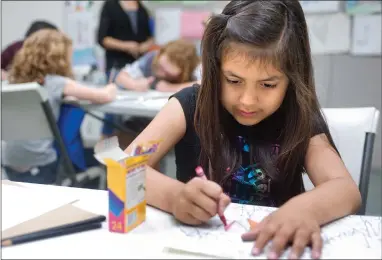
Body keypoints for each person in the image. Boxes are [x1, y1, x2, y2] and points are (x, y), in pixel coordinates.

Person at [123, 1, 361, 259]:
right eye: (234, 81)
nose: (248, 100)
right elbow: (123, 167)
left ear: (292, 79)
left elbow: (346, 190)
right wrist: (175, 198)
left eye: (268, 85)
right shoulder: (191, 105)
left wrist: (306, 209)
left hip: (273, 249)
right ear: (216, 70)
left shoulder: (299, 116)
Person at [2, 29, 117, 185]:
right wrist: (112, 86)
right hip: (41, 164)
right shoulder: (56, 83)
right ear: (59, 58)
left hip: (9, 160)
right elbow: (104, 96)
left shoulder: (9, 83)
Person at [115, 39, 201, 92]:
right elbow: (121, 77)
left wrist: (170, 88)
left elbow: (205, 85)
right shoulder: (152, 57)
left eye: (167, 73)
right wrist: (135, 84)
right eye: (160, 66)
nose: (160, 73)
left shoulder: (196, 66)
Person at [97, 0, 153, 78]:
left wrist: (144, 46)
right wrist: (126, 46)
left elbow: (150, 37)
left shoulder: (142, 8)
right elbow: (102, 39)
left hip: (138, 66)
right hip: (117, 64)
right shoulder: (110, 5)